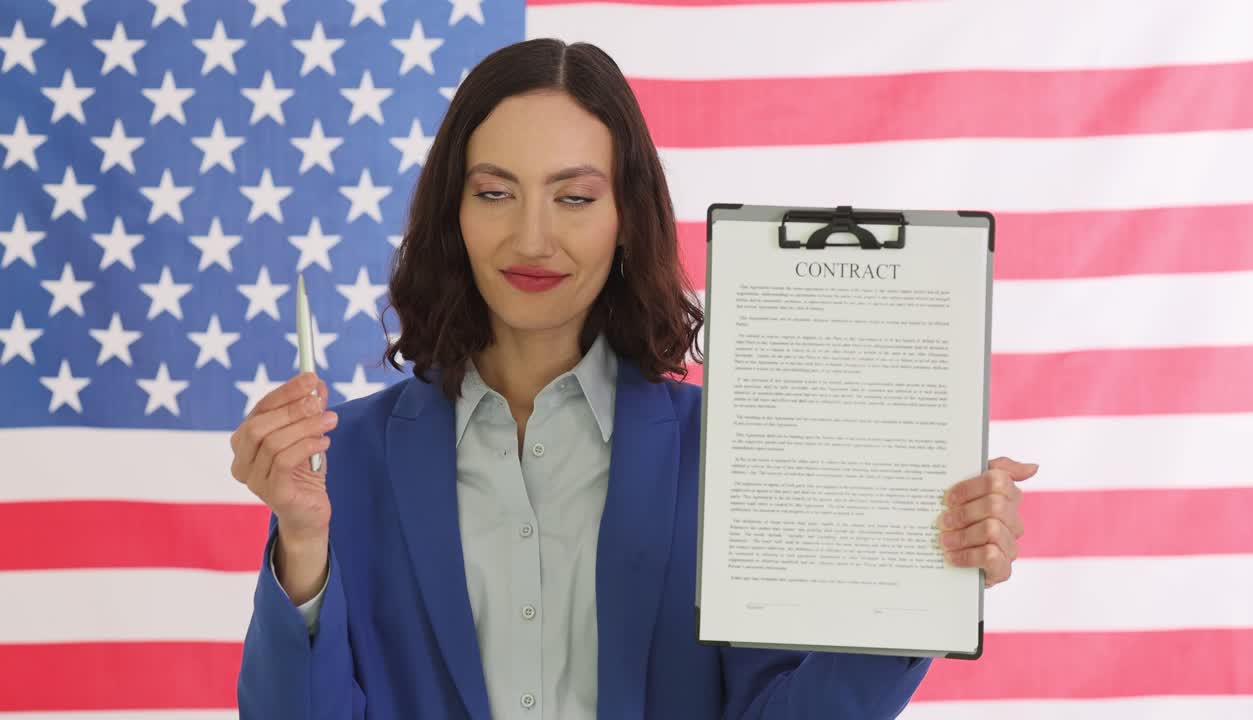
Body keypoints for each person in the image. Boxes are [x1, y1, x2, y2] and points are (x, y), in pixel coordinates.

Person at [230, 38, 1038, 719]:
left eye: (574, 196)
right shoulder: (352, 460)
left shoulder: (727, 453)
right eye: (495, 193)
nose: (532, 237)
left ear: (626, 219)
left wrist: (921, 580)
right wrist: (302, 541)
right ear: (456, 215)